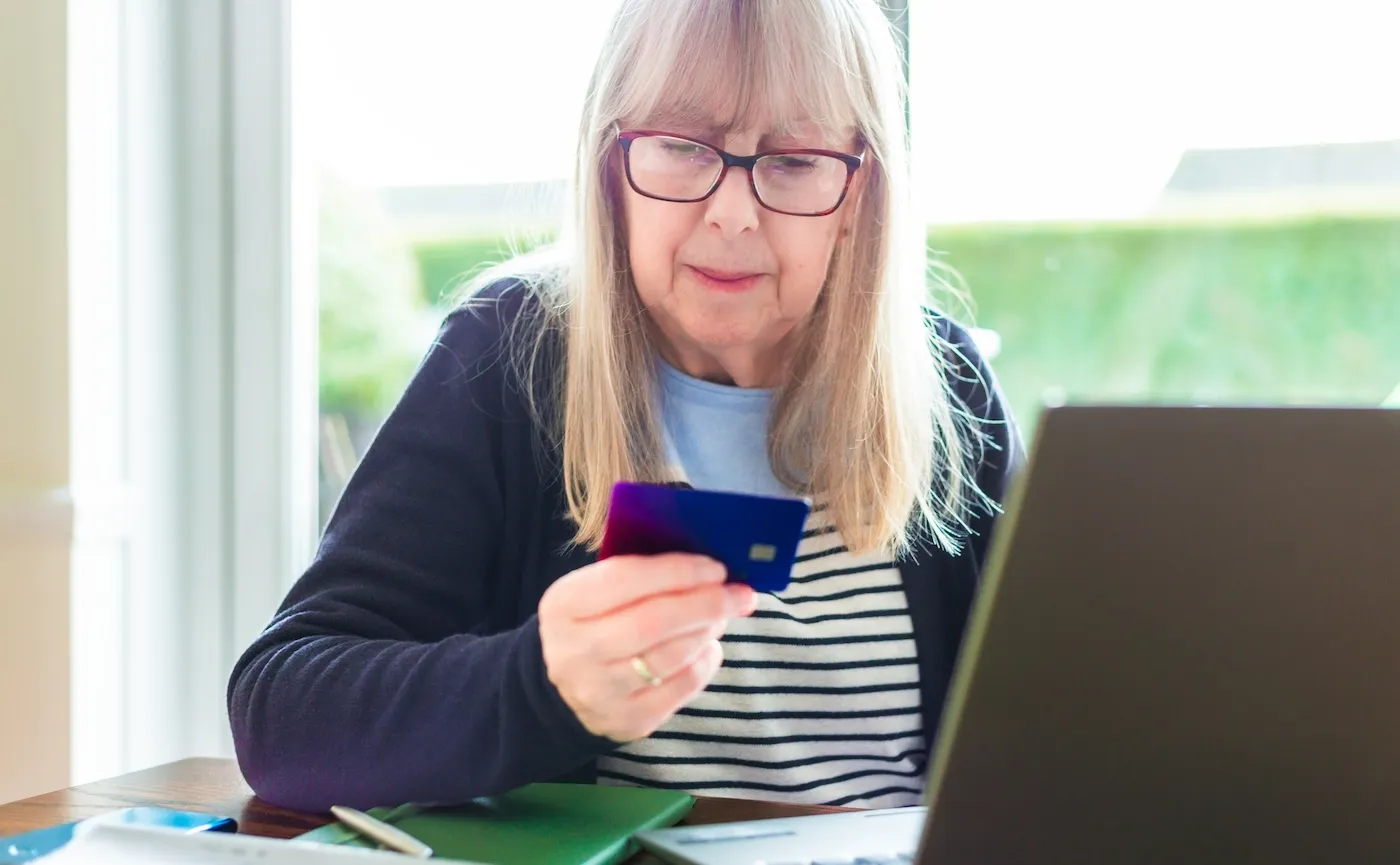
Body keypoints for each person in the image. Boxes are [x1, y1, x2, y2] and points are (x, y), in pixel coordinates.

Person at [227, 0, 1022, 814]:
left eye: (792, 160)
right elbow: (282, 716)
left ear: (859, 193)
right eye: (682, 146)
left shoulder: (947, 386)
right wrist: (540, 684)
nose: (733, 211)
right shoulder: (511, 359)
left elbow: (1052, 728)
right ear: (612, 168)